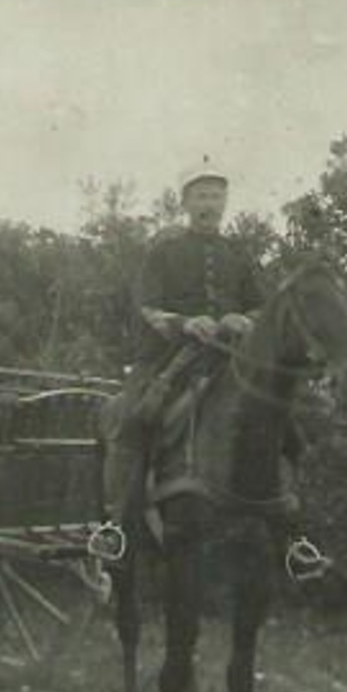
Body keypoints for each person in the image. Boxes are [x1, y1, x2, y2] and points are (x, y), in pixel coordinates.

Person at [99, 159, 265, 559]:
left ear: (226, 201)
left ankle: (294, 535)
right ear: (186, 202)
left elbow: (262, 307)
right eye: (201, 196)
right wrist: (187, 324)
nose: (210, 203)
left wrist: (242, 319)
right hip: (166, 359)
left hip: (228, 359)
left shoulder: (238, 255)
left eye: (216, 195)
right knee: (133, 418)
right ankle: (114, 525)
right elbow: (146, 307)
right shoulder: (164, 252)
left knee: (282, 416)